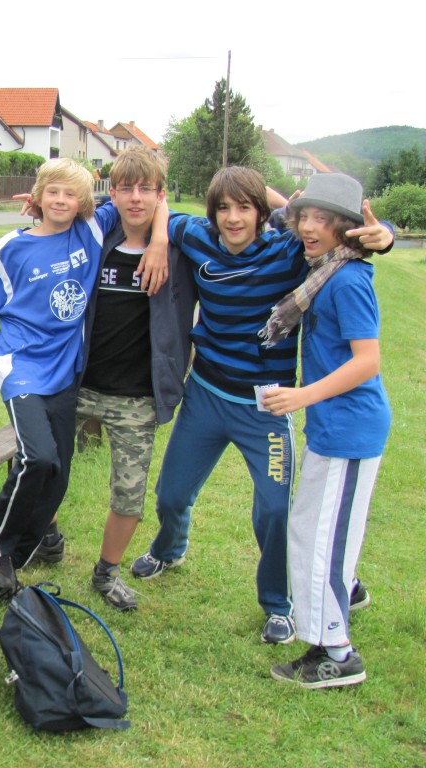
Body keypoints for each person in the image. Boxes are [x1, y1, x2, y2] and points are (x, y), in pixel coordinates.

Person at [129, 166, 393, 644]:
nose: (233, 219)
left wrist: (387, 236)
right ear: (211, 214)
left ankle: (277, 603)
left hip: (266, 406)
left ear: (263, 214)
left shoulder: (290, 249)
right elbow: (153, 206)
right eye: (223, 208)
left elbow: (353, 237)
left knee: (273, 512)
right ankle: (169, 549)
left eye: (245, 208)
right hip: (206, 395)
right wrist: (162, 239)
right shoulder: (196, 235)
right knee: (170, 494)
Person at [0, 157, 166, 599]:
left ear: (84, 202)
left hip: (66, 373)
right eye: (53, 192)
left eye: (71, 194)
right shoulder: (11, 248)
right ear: (37, 197)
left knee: (58, 475)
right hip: (22, 369)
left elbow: (146, 198)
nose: (62, 200)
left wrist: (159, 238)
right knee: (39, 459)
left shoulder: (91, 230)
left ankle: (24, 550)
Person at [259, 173, 390, 687]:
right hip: (334, 427)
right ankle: (347, 588)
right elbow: (272, 206)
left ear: (345, 228)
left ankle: (336, 652)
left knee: (318, 537)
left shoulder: (348, 280)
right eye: (304, 217)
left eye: (323, 219)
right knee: (318, 528)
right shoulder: (325, 272)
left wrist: (301, 397)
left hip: (348, 428)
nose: (309, 228)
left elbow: (367, 361)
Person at [74, 147, 196, 611]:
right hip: (79, 385)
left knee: (129, 497)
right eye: (126, 188)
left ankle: (106, 573)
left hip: (138, 399)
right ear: (113, 194)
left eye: (147, 189)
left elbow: (258, 226)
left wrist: (161, 237)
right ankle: (43, 537)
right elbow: (39, 243)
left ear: (162, 195)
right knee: (43, 467)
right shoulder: (95, 235)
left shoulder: (180, 248)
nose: (136, 198)